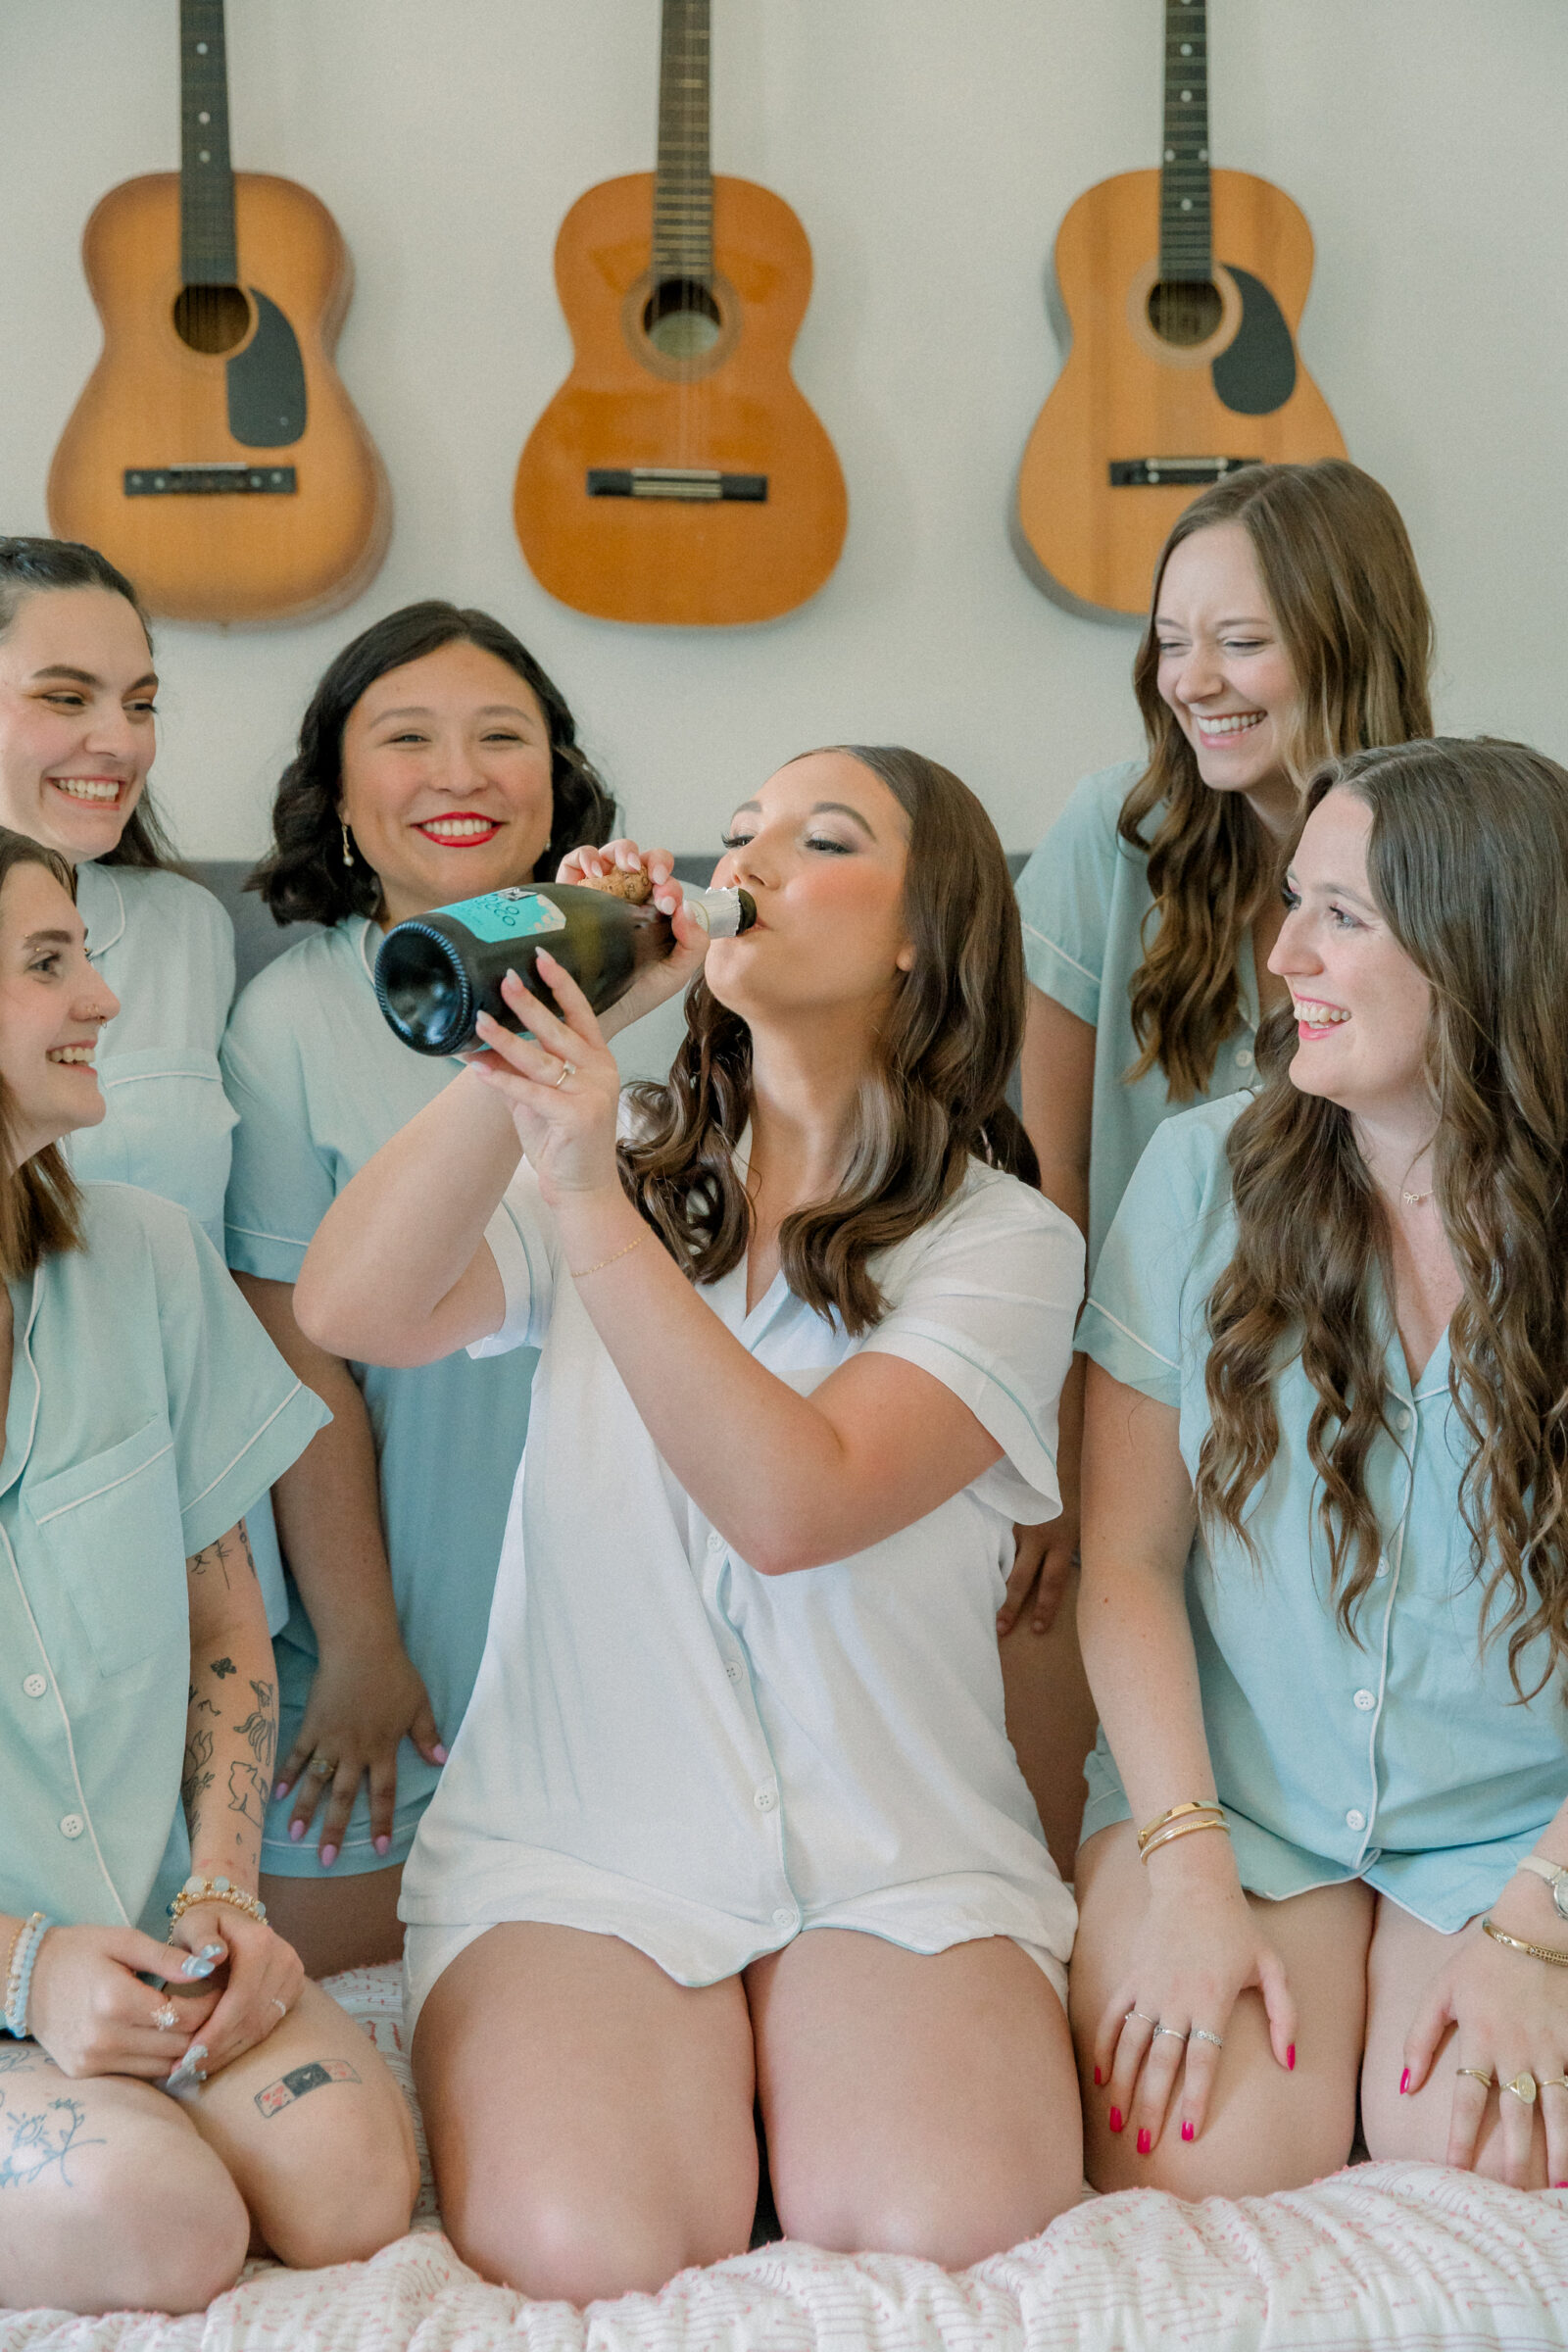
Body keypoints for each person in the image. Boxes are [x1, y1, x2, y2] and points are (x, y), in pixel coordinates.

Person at [295, 747, 1085, 2299]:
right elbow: (352, 1303)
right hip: (578, 1842)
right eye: (740, 836)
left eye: (822, 838)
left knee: (944, 2230)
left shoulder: (1005, 1244)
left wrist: (590, 1196)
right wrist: (542, 1055)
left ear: (928, 930)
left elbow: (797, 1502)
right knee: (590, 2246)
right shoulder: (634, 1144)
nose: (755, 860)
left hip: (893, 1851)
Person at [1070, 737, 1568, 2200]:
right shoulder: (1198, 1177)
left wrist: (1539, 1926)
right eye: (1293, 903)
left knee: (1491, 2157)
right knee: (1201, 2161)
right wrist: (1182, 1872)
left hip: (1512, 1834)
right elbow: (1128, 1565)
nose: (1281, 951)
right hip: (1228, 1803)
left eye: (1340, 915)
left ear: (1482, 946)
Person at [0, 828, 416, 2316]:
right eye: (49, 964)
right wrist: (25, 1970)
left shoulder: (147, 1257)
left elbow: (228, 1623)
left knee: (361, 2185)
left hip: (155, 1937)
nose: (101, 1000)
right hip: (15, 1972)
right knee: (161, 2227)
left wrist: (230, 1892)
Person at [999, 462, 1436, 1874]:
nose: (1195, 681)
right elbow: (1041, 1174)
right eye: (1171, 643)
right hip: (1135, 1417)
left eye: (1238, 641)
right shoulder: (1107, 845)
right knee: (1104, 1813)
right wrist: (1050, 1466)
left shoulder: (1470, 857)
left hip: (1376, 1435)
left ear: (1346, 637)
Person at [221, 604, 614, 1979]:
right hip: (396, 1599)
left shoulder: (673, 996)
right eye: (408, 739)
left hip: (629, 1595)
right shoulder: (289, 1022)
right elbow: (295, 1357)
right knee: (311, 1987)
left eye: (502, 737)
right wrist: (366, 1644)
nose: (460, 773)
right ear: (338, 796)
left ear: (557, 781)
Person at [0, 539, 301, 1639]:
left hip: (188, 1547)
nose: (119, 742)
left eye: (140, 702)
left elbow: (252, 1272)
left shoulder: (184, 933)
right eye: (65, 697)